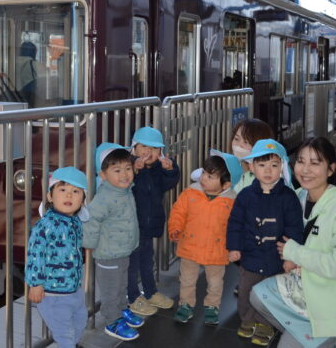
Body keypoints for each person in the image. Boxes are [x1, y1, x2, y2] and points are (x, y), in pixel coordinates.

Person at [251, 137, 336, 348]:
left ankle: (328, 334)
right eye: (301, 161)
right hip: (312, 285)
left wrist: (296, 253)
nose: (305, 170)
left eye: (315, 163)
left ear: (330, 169)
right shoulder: (299, 197)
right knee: (257, 295)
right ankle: (314, 335)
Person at [227, 139, 304, 346]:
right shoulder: (245, 196)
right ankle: (247, 319)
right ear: (251, 167)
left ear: (282, 167)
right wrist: (234, 247)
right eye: (262, 165)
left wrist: (290, 257)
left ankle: (265, 324)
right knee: (245, 291)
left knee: (270, 294)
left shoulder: (289, 198)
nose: (268, 171)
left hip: (275, 259)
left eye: (274, 165)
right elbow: (235, 223)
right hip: (250, 256)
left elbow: (295, 229)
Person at [168, 152, 240, 326]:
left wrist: (235, 247)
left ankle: (212, 307)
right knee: (186, 279)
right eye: (204, 173)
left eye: (210, 176)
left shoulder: (232, 201)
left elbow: (237, 226)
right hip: (190, 246)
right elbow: (178, 212)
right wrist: (175, 228)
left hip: (217, 250)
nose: (203, 179)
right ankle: (185, 304)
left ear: (226, 185)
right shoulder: (190, 193)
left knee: (215, 282)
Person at [82, 143, 144, 341]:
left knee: (121, 285)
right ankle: (112, 321)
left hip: (123, 250)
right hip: (108, 254)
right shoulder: (104, 197)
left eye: (127, 168)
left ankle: (122, 309)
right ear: (103, 175)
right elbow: (91, 220)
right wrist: (89, 243)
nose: (124, 174)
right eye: (117, 170)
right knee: (110, 290)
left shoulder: (125, 191)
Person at [25, 167, 89, 348]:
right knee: (64, 334)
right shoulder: (45, 225)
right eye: (62, 190)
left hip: (73, 290)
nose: (69, 196)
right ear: (50, 197)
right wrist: (35, 284)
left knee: (80, 320)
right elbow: (35, 254)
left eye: (75, 192)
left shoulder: (75, 221)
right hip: (52, 294)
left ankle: (73, 344)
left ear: (83, 200)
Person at [127, 127, 180, 316]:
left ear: (161, 152)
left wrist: (171, 170)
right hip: (132, 225)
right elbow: (122, 183)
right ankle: (133, 296)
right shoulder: (129, 166)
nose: (148, 152)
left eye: (155, 149)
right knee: (132, 265)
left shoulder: (159, 169)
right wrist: (134, 169)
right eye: (143, 147)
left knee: (147, 261)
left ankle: (150, 292)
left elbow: (169, 183)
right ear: (134, 148)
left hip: (150, 225)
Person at [17, 41, 41, 106]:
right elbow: (43, 76)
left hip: (15, 92)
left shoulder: (14, 61)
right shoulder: (33, 62)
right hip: (30, 91)